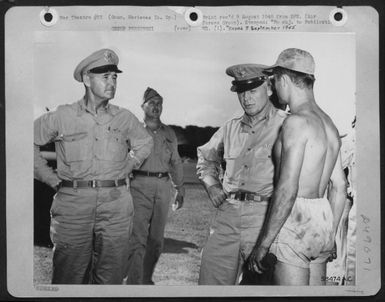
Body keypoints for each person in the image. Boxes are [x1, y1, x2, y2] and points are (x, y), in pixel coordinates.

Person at [34, 48, 153, 284]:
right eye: (105, 77)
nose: (112, 83)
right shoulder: (62, 116)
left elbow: (145, 142)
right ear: (87, 80)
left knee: (111, 278)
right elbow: (22, 141)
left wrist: (131, 163)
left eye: (115, 77)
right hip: (73, 205)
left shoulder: (125, 118)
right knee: (69, 277)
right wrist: (50, 178)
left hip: (116, 205)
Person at [248, 48, 347, 285]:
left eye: (274, 80)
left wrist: (263, 244)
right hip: (323, 216)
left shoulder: (295, 122)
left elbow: (287, 189)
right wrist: (330, 235)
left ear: (283, 79)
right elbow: (340, 186)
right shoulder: (329, 125)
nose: (273, 87)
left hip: (296, 219)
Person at [196, 64, 287, 285]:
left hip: (265, 217)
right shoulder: (230, 129)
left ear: (269, 88)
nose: (246, 98)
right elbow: (206, 159)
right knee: (211, 285)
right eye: (241, 92)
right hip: (228, 215)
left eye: (253, 90)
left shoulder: (287, 125)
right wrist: (212, 185)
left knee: (263, 288)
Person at [125, 87, 185, 285]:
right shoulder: (134, 130)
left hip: (163, 186)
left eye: (159, 103)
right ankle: (134, 284)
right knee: (137, 238)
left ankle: (146, 278)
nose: (156, 107)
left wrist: (180, 188)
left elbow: (175, 162)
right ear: (142, 106)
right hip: (139, 185)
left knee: (157, 240)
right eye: (152, 103)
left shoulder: (169, 133)